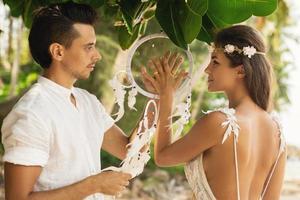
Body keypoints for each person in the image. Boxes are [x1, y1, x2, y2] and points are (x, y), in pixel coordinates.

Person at [1, 2, 137, 200]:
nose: (97, 55)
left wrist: (160, 98)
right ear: (58, 52)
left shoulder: (88, 102)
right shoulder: (32, 113)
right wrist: (93, 185)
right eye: (88, 47)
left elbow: (128, 150)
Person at [141, 25, 286, 200]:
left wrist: (166, 97)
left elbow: (163, 157)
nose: (207, 69)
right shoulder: (277, 132)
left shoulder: (219, 123)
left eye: (215, 62)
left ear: (240, 70)